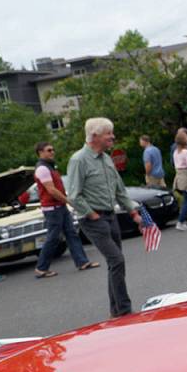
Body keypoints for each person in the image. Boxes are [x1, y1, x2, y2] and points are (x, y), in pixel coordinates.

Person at [66, 117, 142, 318]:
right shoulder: (79, 160)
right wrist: (93, 214)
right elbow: (73, 195)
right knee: (117, 260)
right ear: (94, 136)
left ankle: (116, 311)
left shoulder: (106, 158)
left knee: (114, 263)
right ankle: (124, 310)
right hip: (93, 219)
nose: (112, 137)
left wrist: (133, 212)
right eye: (108, 133)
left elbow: (119, 189)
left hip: (111, 215)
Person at [33, 141, 98, 279]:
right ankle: (41, 268)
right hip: (52, 209)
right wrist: (68, 201)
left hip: (59, 207)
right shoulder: (42, 169)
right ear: (41, 152)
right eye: (49, 150)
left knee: (71, 234)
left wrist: (65, 202)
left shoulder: (50, 167)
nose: (52, 152)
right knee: (53, 237)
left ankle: (82, 262)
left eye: (53, 150)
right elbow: (51, 190)